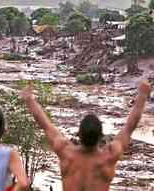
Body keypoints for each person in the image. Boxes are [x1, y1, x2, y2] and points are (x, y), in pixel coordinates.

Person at [20, 80, 152, 191]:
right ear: (101, 137)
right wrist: (142, 96)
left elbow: (45, 124)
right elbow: (130, 126)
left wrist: (29, 99)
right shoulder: (108, 157)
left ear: (79, 135)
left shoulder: (66, 153)